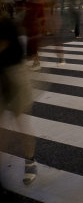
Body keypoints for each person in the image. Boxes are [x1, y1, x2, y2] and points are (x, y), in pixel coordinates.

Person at [0, 11, 37, 186]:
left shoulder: (7, 25)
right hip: (2, 77)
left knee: (20, 121)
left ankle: (30, 161)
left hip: (16, 77)